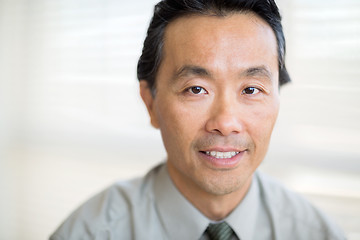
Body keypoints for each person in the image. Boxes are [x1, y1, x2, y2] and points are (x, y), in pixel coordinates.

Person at [50, 0, 346, 239]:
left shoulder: (317, 233)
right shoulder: (91, 232)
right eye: (196, 89)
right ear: (150, 102)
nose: (226, 122)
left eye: (251, 89)